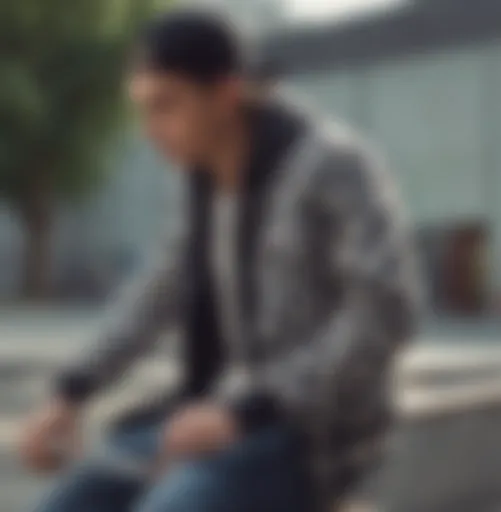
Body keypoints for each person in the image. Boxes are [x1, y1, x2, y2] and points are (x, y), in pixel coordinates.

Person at [20, 8, 420, 512]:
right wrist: (70, 392)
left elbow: (386, 314)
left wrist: (250, 411)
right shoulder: (198, 178)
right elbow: (156, 293)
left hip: (311, 433)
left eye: (166, 106)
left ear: (227, 94)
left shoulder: (332, 164)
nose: (150, 130)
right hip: (215, 411)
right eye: (142, 109)